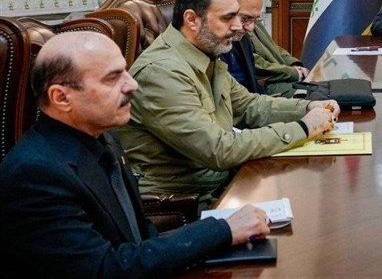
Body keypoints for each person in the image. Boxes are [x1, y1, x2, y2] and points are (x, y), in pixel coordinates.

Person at [0, 31, 271, 279]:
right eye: (112, 78)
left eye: (126, 72)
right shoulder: (35, 175)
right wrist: (222, 230)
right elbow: (104, 269)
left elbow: (139, 237)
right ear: (61, 98)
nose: (132, 85)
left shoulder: (104, 137)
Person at [117, 0, 340, 197]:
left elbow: (248, 106)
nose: (237, 26)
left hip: (221, 183)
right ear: (192, 19)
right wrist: (303, 128)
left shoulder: (204, 52)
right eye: (227, 18)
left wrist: (307, 108)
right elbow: (219, 149)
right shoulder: (161, 72)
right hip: (186, 199)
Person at [204, 0, 310, 95]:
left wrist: (293, 64)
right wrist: (291, 72)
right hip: (270, 82)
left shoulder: (248, 8)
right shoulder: (219, 25)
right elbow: (255, 66)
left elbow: (273, 48)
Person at [220, 0, 267, 94]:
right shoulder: (210, 45)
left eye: (255, 20)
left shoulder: (243, 40)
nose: (250, 28)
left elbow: (253, 90)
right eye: (245, 18)